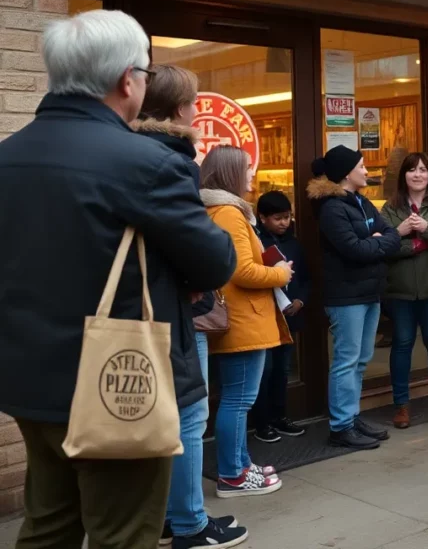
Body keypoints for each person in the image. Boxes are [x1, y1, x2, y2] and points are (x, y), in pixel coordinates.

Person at [0, 10, 237, 548]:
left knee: (48, 522)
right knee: (124, 532)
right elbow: (214, 262)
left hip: (25, 378)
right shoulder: (144, 162)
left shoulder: (7, 157)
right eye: (147, 73)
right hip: (118, 383)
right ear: (126, 79)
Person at [133, 65, 248, 548]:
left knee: (159, 418)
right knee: (189, 414)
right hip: (174, 310)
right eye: (195, 101)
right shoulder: (173, 158)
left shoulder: (128, 151)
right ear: (181, 108)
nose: (198, 109)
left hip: (138, 308)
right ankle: (189, 525)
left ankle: (164, 516)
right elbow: (199, 249)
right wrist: (204, 274)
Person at [200, 146, 293, 499]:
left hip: (242, 318)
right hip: (243, 319)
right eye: (247, 169)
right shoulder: (228, 213)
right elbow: (242, 271)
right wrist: (279, 272)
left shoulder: (220, 210)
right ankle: (232, 475)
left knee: (239, 399)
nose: (252, 175)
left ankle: (240, 464)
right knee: (238, 401)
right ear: (229, 174)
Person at [308, 144, 401, 449]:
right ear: (347, 173)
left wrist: (374, 242)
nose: (366, 171)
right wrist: (374, 242)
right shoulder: (333, 209)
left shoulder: (362, 202)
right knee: (347, 361)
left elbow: (393, 237)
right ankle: (340, 427)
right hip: (346, 296)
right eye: (361, 166)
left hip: (369, 292)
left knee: (361, 360)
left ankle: (351, 416)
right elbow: (354, 250)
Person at [380, 152, 428, 429]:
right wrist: (405, 237)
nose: (418, 174)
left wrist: (427, 228)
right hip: (399, 291)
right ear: (404, 176)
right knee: (401, 345)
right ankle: (401, 406)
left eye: (423, 169)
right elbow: (382, 245)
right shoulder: (390, 208)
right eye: (412, 170)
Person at [252, 190, 311, 443]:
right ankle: (261, 422)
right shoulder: (255, 243)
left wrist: (300, 300)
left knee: (282, 369)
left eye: (287, 217)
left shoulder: (294, 243)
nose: (284, 222)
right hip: (264, 316)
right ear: (262, 217)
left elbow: (306, 278)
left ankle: (280, 416)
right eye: (278, 218)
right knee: (264, 370)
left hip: (289, 316)